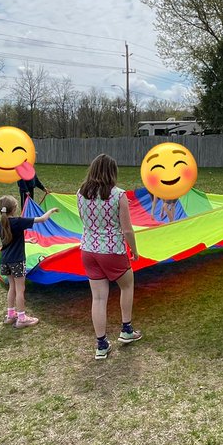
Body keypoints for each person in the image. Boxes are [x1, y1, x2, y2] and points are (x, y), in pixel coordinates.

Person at [77, 154, 142, 360]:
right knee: (127, 285)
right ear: (112, 172)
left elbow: (85, 221)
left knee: (98, 298)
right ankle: (126, 329)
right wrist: (134, 250)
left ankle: (101, 344)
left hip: (88, 250)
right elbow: (127, 229)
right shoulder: (118, 195)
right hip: (112, 250)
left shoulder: (80, 193)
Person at [0, 195, 60, 327]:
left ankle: (10, 315)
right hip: (17, 260)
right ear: (14, 209)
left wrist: (26, 240)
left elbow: (8, 240)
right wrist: (51, 210)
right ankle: (22, 318)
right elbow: (42, 219)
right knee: (20, 289)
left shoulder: (0, 224)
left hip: (5, 260)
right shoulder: (18, 221)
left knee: (12, 287)